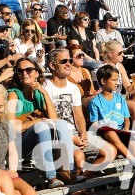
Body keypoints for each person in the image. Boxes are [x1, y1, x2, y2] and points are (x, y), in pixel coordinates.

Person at [43, 48, 110, 186]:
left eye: (69, 60)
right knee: (79, 157)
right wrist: (73, 138)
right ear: (52, 65)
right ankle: (77, 188)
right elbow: (50, 120)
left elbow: (78, 116)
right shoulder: (46, 86)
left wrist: (83, 133)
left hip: (75, 133)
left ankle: (81, 181)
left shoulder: (73, 88)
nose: (68, 64)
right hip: (57, 135)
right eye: (63, 61)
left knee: (110, 152)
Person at [8, 57, 77, 189]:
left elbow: (54, 120)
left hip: (38, 142)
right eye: (20, 71)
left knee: (61, 124)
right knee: (41, 126)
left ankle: (69, 170)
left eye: (29, 70)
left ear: (37, 72)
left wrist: (44, 93)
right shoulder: (14, 95)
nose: (24, 74)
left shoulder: (39, 93)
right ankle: (51, 176)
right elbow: (10, 127)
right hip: (18, 145)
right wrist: (36, 122)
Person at [89, 65, 135, 163]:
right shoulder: (95, 101)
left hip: (121, 131)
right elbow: (94, 123)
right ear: (103, 81)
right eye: (114, 80)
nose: (117, 83)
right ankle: (134, 162)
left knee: (133, 138)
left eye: (117, 80)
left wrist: (126, 130)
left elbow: (127, 119)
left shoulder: (120, 98)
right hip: (105, 133)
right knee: (111, 133)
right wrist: (102, 126)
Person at [102, 40, 135, 126]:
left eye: (123, 52)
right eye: (120, 53)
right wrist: (130, 95)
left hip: (122, 97)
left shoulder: (119, 66)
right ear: (111, 54)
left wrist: (134, 83)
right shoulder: (103, 69)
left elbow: (128, 88)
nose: (123, 55)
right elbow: (107, 94)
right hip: (112, 100)